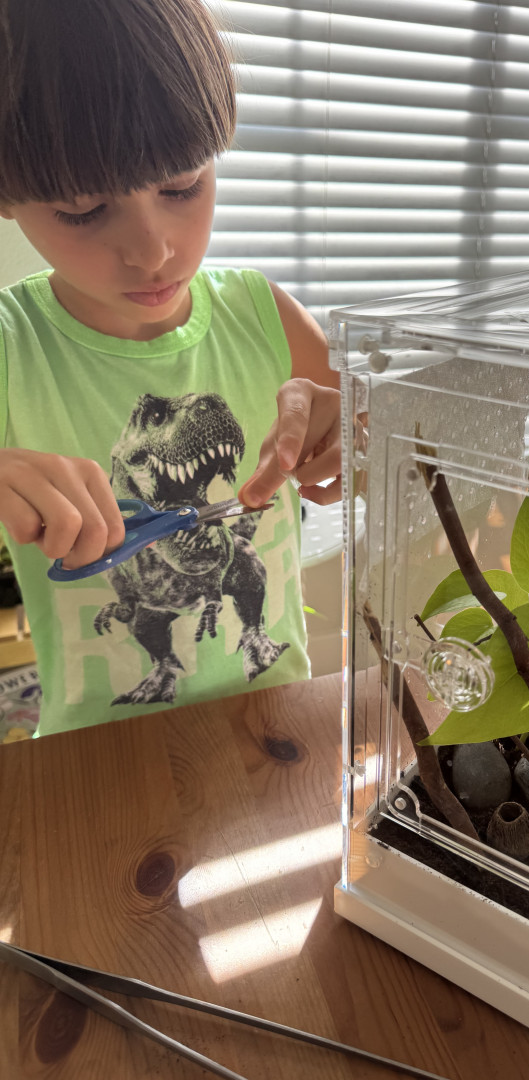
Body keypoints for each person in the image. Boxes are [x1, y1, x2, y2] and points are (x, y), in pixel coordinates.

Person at [0, 0, 342, 736]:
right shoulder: (9, 348)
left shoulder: (269, 317)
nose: (153, 252)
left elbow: (372, 464)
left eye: (183, 186)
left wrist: (360, 436)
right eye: (83, 210)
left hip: (279, 729)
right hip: (96, 756)